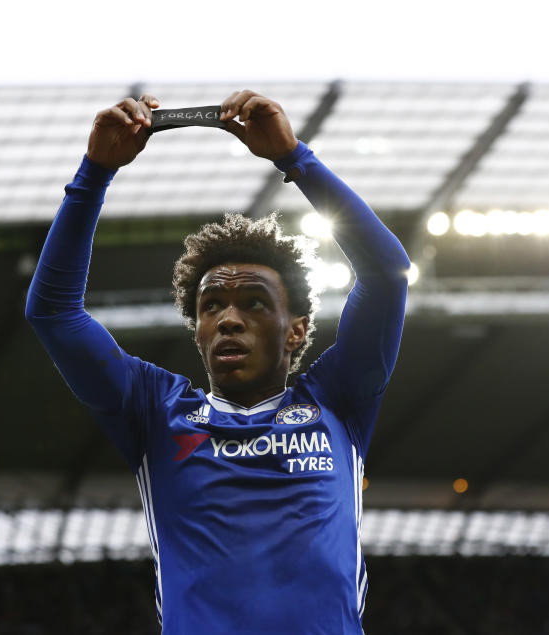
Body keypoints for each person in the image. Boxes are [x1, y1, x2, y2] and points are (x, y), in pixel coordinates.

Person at [26, 90, 410, 634]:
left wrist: (294, 158)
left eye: (254, 303)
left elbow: (388, 273)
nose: (229, 319)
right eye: (212, 307)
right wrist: (95, 173)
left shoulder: (338, 399)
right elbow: (53, 314)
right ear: (198, 329)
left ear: (296, 328)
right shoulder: (154, 409)